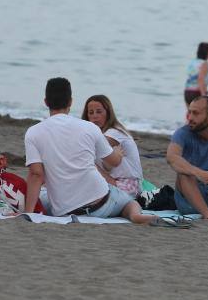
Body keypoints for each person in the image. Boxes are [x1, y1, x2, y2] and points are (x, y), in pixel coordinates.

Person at [24, 78, 174, 226]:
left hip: (64, 210)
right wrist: (119, 154)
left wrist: (29, 213)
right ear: (70, 102)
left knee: (44, 195)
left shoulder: (33, 132)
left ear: (45, 102)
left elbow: (36, 174)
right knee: (129, 202)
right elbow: (113, 161)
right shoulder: (89, 128)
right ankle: (135, 215)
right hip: (101, 203)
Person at [82, 94, 143, 198]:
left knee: (87, 161)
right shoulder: (99, 134)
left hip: (128, 186)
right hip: (113, 182)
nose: (94, 116)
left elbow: (89, 146)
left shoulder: (114, 132)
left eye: (99, 111)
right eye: (91, 113)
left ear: (108, 113)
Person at [184, 42, 208, 107]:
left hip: (187, 92)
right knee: (202, 115)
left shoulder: (192, 62)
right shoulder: (204, 63)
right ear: (207, 52)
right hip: (196, 93)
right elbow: (200, 79)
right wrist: (204, 96)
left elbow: (191, 79)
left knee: (190, 115)